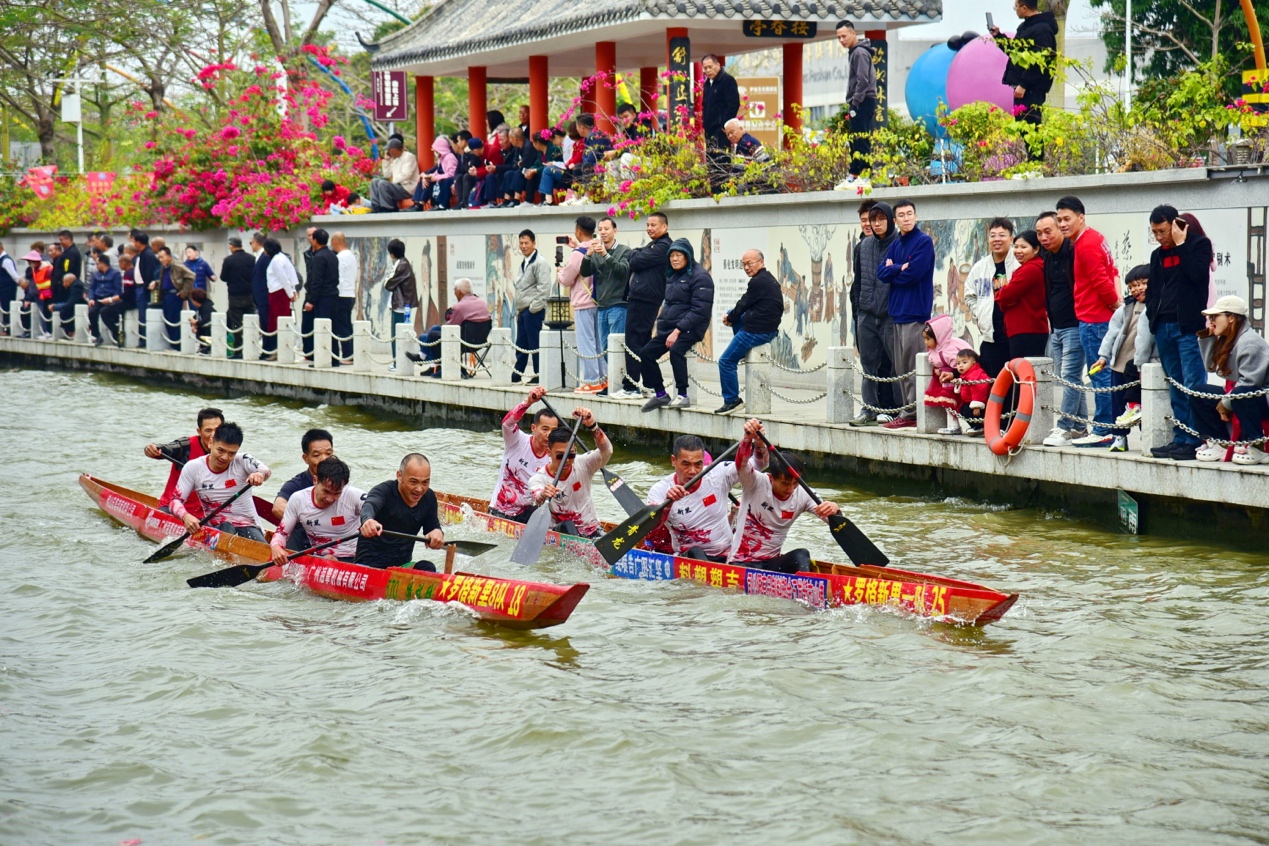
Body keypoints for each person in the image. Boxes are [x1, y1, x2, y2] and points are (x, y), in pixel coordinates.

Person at [1145, 205, 1216, 461]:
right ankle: (1181, 436)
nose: (1159, 237)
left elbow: (1197, 275)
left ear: (1175, 226)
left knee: (1192, 383)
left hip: (1188, 326)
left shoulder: (1199, 245)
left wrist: (1181, 243)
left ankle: (1196, 438)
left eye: (1163, 231)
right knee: (1174, 384)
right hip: (1163, 325)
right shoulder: (1157, 255)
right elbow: (1152, 289)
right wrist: (1151, 313)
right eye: (1155, 232)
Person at [730, 419, 841, 573]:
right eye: (784, 483)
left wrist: (835, 510)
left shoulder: (803, 493)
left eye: (795, 483)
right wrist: (748, 439)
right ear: (771, 478)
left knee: (802, 554)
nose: (790, 489)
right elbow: (741, 465)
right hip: (741, 564)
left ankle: (807, 587)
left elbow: (834, 522)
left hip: (772, 563)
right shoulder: (755, 483)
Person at [1055, 196, 1121, 448]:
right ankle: (1108, 427)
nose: (1062, 224)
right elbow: (1113, 271)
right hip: (1097, 319)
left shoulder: (1086, 245)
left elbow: (1101, 281)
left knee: (1100, 376)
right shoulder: (1094, 238)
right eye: (1059, 219)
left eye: (1066, 218)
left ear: (1080, 217)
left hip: (1094, 320)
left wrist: (1115, 306)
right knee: (1104, 375)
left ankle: (1104, 428)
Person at [877, 200, 935, 428]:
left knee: (913, 364)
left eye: (910, 213)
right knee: (901, 366)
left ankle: (913, 412)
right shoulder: (895, 244)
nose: (906, 218)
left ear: (916, 216)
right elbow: (882, 273)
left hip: (915, 311)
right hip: (897, 312)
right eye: (901, 215)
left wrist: (897, 270)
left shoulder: (923, 242)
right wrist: (896, 268)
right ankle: (907, 409)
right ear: (895, 220)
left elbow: (913, 275)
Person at [1192, 296, 1269, 464]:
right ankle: (1219, 443)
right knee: (1199, 391)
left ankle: (1257, 445)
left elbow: (1250, 383)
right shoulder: (1229, 339)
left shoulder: (1249, 343)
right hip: (1239, 394)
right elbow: (1211, 367)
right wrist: (1208, 337)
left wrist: (1225, 403)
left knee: (1242, 393)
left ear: (1231, 317)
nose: (1211, 321)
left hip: (1259, 398)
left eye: (1215, 317)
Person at [640, 238, 714, 412]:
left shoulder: (700, 276)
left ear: (687, 256)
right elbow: (670, 305)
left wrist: (678, 331)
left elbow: (699, 310)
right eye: (671, 255)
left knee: (676, 351)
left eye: (678, 255)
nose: (674, 259)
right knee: (646, 353)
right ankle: (660, 394)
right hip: (671, 328)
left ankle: (682, 394)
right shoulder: (672, 276)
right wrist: (662, 327)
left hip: (690, 328)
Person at [170, 421, 271, 542]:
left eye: (231, 453)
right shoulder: (193, 467)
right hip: (215, 529)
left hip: (248, 525)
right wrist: (185, 516)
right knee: (226, 527)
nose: (225, 457)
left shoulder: (243, 460)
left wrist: (259, 474)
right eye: (221, 450)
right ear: (211, 442)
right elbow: (174, 502)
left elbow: (265, 470)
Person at [1036, 211, 1087, 447]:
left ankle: (1065, 426)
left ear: (1060, 230)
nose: (1044, 237)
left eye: (1048, 231)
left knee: (1070, 377)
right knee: (1071, 378)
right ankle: (1079, 426)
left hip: (1075, 326)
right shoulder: (1047, 257)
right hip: (1056, 327)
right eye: (1039, 233)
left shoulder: (1074, 252)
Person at [647, 434, 739, 562]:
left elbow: (755, 464)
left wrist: (755, 444)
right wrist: (668, 504)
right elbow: (651, 530)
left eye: (698, 465)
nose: (693, 471)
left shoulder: (716, 475)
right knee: (696, 552)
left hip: (726, 554)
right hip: (688, 557)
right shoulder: (660, 490)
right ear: (673, 460)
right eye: (686, 464)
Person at [527, 407, 613, 538]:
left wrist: (592, 426)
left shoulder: (584, 464)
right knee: (568, 525)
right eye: (560, 456)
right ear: (549, 453)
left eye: (571, 454)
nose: (567, 460)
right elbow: (537, 496)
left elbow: (607, 451)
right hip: (562, 532)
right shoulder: (539, 479)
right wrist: (544, 494)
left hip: (592, 530)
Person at [1094, 265, 1154, 452]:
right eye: (1133, 285)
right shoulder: (1127, 307)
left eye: (1143, 283)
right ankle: (1119, 437)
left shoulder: (1156, 306)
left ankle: (1149, 438)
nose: (1138, 289)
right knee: (1118, 404)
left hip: (1141, 366)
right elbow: (1112, 333)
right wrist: (1104, 356)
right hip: (1120, 364)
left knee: (1144, 404)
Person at [715, 249, 781, 414]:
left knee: (725, 361)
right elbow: (744, 305)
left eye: (749, 263)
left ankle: (732, 400)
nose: (746, 267)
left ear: (761, 262)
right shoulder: (767, 279)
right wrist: (732, 316)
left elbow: (744, 303)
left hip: (758, 331)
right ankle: (742, 351)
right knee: (734, 312)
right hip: (768, 328)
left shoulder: (757, 282)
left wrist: (730, 318)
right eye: (743, 264)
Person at [851, 202, 899, 425]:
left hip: (890, 314)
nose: (877, 224)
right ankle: (869, 408)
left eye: (882, 219)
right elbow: (857, 282)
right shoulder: (863, 246)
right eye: (873, 220)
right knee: (868, 363)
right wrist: (859, 311)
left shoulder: (900, 244)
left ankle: (894, 408)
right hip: (867, 314)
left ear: (890, 220)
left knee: (892, 363)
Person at [356, 453, 445, 569]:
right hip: (369, 566)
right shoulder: (384, 491)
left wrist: (437, 533)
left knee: (428, 567)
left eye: (425, 482)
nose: (419, 489)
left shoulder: (428, 498)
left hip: (401, 566)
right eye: (413, 482)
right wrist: (368, 520)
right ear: (399, 476)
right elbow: (369, 506)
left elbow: (432, 527)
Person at [270, 457, 364, 565]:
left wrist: (370, 521)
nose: (330, 498)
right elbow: (281, 533)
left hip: (355, 557)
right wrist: (276, 546)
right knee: (327, 558)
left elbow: (374, 507)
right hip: (321, 558)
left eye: (337, 493)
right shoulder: (298, 499)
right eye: (326, 491)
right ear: (315, 480)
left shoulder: (353, 496)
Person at [618, 213, 673, 399]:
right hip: (642, 298)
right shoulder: (654, 245)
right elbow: (632, 254)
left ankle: (632, 386)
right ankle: (648, 384)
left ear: (664, 227)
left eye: (654, 225)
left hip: (645, 299)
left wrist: (636, 254)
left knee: (634, 340)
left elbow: (634, 259)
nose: (649, 228)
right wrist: (636, 253)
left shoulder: (663, 246)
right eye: (648, 224)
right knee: (641, 341)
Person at [580, 216, 632, 395]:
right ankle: (613, 382)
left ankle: (620, 384)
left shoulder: (624, 251)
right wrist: (588, 255)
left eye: (606, 229)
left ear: (615, 231)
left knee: (616, 347)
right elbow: (584, 272)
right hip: (601, 307)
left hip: (618, 305)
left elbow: (623, 271)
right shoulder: (595, 252)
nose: (602, 232)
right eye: (600, 229)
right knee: (604, 347)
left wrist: (605, 255)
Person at [490, 386, 557, 521]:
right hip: (500, 511)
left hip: (528, 513)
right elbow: (507, 424)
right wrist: (528, 402)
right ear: (534, 428)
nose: (549, 434)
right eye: (545, 429)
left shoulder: (554, 457)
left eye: (553, 430)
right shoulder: (517, 440)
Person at [964, 218, 1020, 377]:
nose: (997, 239)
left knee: (1015, 383)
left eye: (1002, 235)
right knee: (992, 385)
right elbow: (969, 296)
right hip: (990, 337)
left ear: (1011, 239)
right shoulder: (979, 267)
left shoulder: (1019, 265)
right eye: (992, 235)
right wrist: (979, 313)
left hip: (1014, 336)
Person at [990, 0, 1058, 128]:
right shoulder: (1026, 27)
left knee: (1031, 126)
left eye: (1016, 6)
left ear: (1024, 8)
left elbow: (1040, 62)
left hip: (1032, 88)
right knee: (1022, 126)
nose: (1015, 9)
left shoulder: (1042, 29)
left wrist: (1024, 84)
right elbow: (1016, 53)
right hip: (1022, 87)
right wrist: (998, 36)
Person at [144, 407, 225, 516]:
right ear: (199, 432)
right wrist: (153, 449)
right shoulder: (185, 446)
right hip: (172, 507)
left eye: (218, 430)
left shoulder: (227, 452)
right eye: (208, 430)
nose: (213, 435)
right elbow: (166, 448)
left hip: (205, 513)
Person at [406, 277, 492, 373]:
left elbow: (449, 329)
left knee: (432, 335)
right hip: (480, 341)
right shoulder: (482, 303)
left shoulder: (460, 307)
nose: (454, 293)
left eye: (454, 290)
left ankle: (427, 360)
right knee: (431, 331)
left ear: (459, 292)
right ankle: (428, 362)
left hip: (464, 341)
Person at [270, 428, 335, 550]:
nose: (324, 459)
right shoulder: (296, 485)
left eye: (328, 453)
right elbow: (278, 507)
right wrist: (313, 520)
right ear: (306, 458)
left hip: (334, 540)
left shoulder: (340, 481)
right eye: (316, 455)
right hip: (304, 542)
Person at [559, 216, 602, 393]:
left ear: (578, 231)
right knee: (599, 343)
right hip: (598, 302)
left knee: (586, 343)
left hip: (583, 303)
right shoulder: (599, 247)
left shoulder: (577, 254)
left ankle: (591, 381)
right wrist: (575, 245)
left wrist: (559, 272)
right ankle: (602, 379)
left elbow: (566, 278)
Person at [995, 229, 1051, 360]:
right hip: (1026, 330)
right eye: (1016, 247)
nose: (1018, 251)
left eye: (1023, 247)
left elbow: (1003, 296)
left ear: (1036, 249)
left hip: (1027, 330)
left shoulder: (1030, 269)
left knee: (1025, 375)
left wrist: (1003, 298)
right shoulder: (1030, 267)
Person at [836, 21, 878, 179]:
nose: (841, 40)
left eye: (844, 36)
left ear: (853, 34)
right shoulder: (855, 51)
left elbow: (863, 81)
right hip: (862, 100)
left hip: (863, 101)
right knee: (856, 138)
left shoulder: (859, 52)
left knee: (860, 138)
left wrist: (855, 103)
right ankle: (856, 173)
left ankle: (862, 174)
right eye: (838, 37)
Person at [511, 229, 551, 383]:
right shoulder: (525, 262)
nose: (523, 246)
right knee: (521, 342)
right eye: (521, 243)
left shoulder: (540, 263)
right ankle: (517, 372)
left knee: (535, 344)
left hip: (533, 311)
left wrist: (533, 309)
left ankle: (538, 374)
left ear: (534, 243)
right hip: (523, 310)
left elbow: (544, 289)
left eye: (526, 243)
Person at [300, 228, 340, 365]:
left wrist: (311, 301)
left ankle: (323, 359)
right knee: (331, 328)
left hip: (322, 298)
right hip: (333, 296)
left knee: (321, 329)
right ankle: (333, 358)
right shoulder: (332, 255)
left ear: (315, 240)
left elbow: (316, 281)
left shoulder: (319, 257)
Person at [922, 313, 972, 419]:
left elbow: (960, 367)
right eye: (924, 339)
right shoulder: (934, 350)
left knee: (952, 401)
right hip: (943, 380)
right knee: (946, 402)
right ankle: (952, 424)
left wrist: (946, 372)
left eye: (928, 339)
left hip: (956, 379)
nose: (925, 342)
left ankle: (954, 425)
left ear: (938, 336)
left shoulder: (950, 349)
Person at [701, 54, 741, 185]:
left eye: (710, 67)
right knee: (711, 164)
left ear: (718, 65)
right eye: (705, 68)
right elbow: (705, 105)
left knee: (722, 162)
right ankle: (714, 192)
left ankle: (723, 191)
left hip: (721, 131)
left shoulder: (727, 80)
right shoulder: (707, 84)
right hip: (709, 131)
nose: (707, 70)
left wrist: (725, 125)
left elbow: (733, 104)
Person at [383, 238, 418, 370]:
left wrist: (387, 280)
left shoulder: (401, 265)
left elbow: (389, 284)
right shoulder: (403, 263)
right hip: (402, 305)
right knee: (399, 335)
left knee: (397, 335)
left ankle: (398, 363)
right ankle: (398, 362)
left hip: (401, 306)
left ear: (392, 253)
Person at [263, 238, 299, 361]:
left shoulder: (277, 261)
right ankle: (279, 350)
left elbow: (284, 278)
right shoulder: (281, 258)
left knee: (279, 322)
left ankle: (281, 351)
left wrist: (290, 293)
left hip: (279, 293)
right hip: (279, 293)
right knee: (277, 322)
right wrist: (292, 291)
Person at [220, 236, 256, 358]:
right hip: (249, 294)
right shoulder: (252, 259)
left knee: (236, 324)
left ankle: (238, 351)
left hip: (235, 295)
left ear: (231, 246)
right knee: (251, 321)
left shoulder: (229, 260)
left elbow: (223, 277)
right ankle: (252, 348)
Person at [152, 246, 195, 346]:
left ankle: (177, 344)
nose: (160, 259)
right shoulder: (164, 268)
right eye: (159, 257)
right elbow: (167, 280)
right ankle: (173, 343)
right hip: (165, 295)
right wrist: (157, 283)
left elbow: (191, 276)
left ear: (169, 257)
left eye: (162, 257)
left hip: (174, 295)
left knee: (174, 319)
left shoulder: (177, 266)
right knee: (167, 319)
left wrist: (184, 292)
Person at [369, 138, 420, 212]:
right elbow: (387, 175)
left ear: (394, 150)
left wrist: (391, 184)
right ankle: (376, 207)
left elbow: (406, 174)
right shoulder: (395, 159)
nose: (387, 152)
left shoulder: (409, 157)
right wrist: (386, 161)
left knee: (383, 184)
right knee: (374, 182)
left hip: (407, 188)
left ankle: (387, 208)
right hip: (398, 187)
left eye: (388, 150)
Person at [952, 349, 992, 436]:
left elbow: (980, 389)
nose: (960, 366)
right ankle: (976, 426)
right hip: (968, 401)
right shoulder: (966, 374)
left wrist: (977, 405)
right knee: (963, 410)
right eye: (958, 363)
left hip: (976, 403)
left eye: (964, 362)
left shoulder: (976, 374)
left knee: (969, 412)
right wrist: (958, 382)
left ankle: (978, 427)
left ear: (973, 363)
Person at [86, 254, 124, 346]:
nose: (96, 266)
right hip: (99, 299)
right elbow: (92, 288)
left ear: (103, 263)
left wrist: (111, 299)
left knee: (105, 313)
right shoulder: (96, 275)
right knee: (92, 312)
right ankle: (97, 335)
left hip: (110, 299)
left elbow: (117, 289)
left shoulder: (115, 274)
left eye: (97, 263)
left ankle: (117, 334)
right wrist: (91, 298)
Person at [331, 231, 357, 364]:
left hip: (342, 295)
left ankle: (348, 354)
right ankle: (351, 353)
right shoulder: (351, 255)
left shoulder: (340, 257)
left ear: (335, 242)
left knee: (342, 326)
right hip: (350, 294)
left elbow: (338, 278)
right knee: (347, 324)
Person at [250, 232, 274, 359]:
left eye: (251, 242)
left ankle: (269, 349)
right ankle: (266, 349)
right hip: (260, 297)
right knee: (264, 323)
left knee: (267, 323)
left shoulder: (265, 257)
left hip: (265, 296)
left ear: (256, 242)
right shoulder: (259, 256)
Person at [417, 135, 456, 210]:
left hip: (450, 180)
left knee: (444, 181)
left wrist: (436, 178)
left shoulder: (450, 157)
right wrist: (428, 177)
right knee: (426, 180)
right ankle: (420, 203)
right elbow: (438, 171)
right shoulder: (441, 159)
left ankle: (442, 205)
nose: (435, 152)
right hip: (443, 178)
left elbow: (451, 174)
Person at [0, 240, 20, 334]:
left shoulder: (6, 260)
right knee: (4, 308)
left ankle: (8, 330)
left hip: (7, 289)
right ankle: (5, 328)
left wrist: (21, 283)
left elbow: (14, 275)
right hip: (3, 289)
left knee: (6, 308)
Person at [188, 289, 214, 354]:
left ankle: (207, 348)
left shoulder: (208, 308)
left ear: (195, 301)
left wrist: (196, 323)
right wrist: (193, 324)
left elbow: (206, 320)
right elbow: (195, 318)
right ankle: (202, 346)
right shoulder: (201, 309)